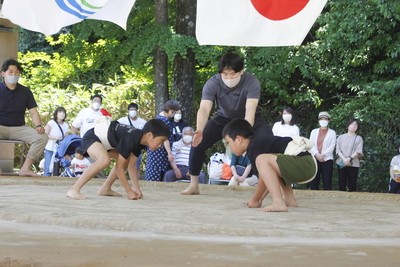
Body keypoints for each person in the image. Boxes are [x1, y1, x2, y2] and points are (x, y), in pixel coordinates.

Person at [181, 53, 273, 195]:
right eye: (225, 75)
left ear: (241, 71)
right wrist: (200, 129)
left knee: (267, 143)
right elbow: (204, 108)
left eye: (232, 74)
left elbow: (250, 109)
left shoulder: (251, 81)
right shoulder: (213, 82)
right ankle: (194, 185)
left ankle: (270, 186)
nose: (229, 78)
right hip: (223, 118)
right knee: (197, 141)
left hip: (250, 118)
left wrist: (244, 135)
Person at [222, 118, 317, 212]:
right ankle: (289, 200)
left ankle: (278, 203)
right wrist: (260, 199)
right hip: (305, 164)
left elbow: (263, 179)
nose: (229, 146)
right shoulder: (257, 144)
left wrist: (255, 199)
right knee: (273, 163)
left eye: (229, 142)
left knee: (262, 159)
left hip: (304, 163)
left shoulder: (254, 146)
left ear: (238, 139)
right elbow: (269, 179)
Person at [66, 119, 170, 200]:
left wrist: (136, 189)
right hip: (92, 138)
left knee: (127, 160)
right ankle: (74, 189)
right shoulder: (131, 138)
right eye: (160, 141)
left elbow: (131, 166)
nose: (160, 145)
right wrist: (128, 191)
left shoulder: (140, 142)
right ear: (149, 135)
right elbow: (120, 167)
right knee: (105, 160)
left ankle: (105, 188)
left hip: (105, 143)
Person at [0, 59, 48, 177]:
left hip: (19, 128)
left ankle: (25, 168)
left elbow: (33, 112)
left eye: (17, 72)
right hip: (1, 127)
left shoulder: (25, 91)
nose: (14, 75)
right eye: (10, 72)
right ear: (3, 73)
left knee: (42, 137)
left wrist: (39, 126)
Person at [72, 94, 106, 178]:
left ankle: (99, 178)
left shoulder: (102, 113)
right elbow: (75, 125)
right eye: (95, 100)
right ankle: (99, 178)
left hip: (98, 141)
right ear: (91, 102)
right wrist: (74, 137)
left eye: (98, 101)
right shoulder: (85, 111)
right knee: (86, 160)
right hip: (85, 140)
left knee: (96, 160)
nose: (96, 102)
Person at [145, 100, 180, 181]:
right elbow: (165, 139)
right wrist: (169, 153)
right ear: (171, 111)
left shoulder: (158, 117)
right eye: (174, 112)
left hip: (156, 151)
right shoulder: (164, 121)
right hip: (160, 153)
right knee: (157, 174)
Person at [117, 102, 147, 178]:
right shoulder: (122, 121)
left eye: (134, 109)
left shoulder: (142, 122)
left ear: (137, 111)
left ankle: (137, 180)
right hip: (124, 146)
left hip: (136, 147)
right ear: (128, 111)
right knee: (121, 165)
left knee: (136, 166)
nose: (133, 111)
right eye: (131, 109)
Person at [309, 112, 336, 190]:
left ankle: (327, 200)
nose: (323, 121)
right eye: (321, 119)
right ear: (318, 120)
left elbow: (332, 146)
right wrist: (317, 154)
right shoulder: (314, 132)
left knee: (327, 181)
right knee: (314, 181)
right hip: (315, 158)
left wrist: (323, 155)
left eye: (325, 119)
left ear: (328, 121)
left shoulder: (332, 132)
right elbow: (311, 144)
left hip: (327, 159)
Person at [336, 119, 363, 192]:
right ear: (348, 125)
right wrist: (344, 159)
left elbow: (358, 151)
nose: (353, 126)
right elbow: (338, 150)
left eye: (355, 125)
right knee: (341, 184)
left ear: (358, 128)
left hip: (353, 164)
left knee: (352, 184)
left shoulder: (358, 138)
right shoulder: (340, 137)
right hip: (341, 163)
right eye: (352, 124)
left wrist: (349, 158)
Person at [43, 107, 70, 176]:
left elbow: (67, 137)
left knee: (57, 169)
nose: (62, 114)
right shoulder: (51, 123)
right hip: (50, 148)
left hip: (59, 150)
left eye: (63, 112)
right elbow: (45, 135)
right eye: (60, 112)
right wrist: (55, 138)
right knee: (47, 168)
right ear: (56, 114)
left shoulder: (66, 125)